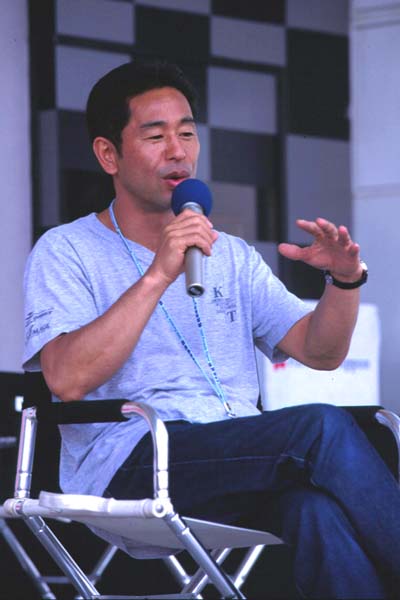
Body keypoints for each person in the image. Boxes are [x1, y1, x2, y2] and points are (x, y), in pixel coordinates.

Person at [23, 59, 400, 599]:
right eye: (156, 136)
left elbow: (321, 352)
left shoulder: (232, 255)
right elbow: (66, 379)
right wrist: (158, 273)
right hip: (133, 461)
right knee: (319, 428)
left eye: (186, 133)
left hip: (235, 455)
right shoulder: (66, 250)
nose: (178, 151)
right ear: (108, 154)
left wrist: (344, 281)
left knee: (314, 508)